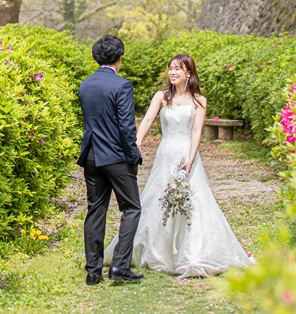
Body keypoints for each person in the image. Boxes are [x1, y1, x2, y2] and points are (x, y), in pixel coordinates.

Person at [103, 53, 255, 278]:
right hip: (165, 154)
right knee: (157, 198)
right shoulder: (162, 97)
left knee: (194, 200)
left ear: (188, 73)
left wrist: (191, 157)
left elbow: (196, 131)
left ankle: (191, 252)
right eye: (170, 68)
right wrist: (136, 142)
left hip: (186, 154)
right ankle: (153, 250)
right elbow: (146, 121)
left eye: (178, 69)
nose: (173, 72)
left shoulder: (199, 100)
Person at [77, 35, 143, 285]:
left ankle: (93, 271)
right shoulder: (121, 86)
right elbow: (127, 128)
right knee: (131, 208)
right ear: (119, 58)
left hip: (92, 156)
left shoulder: (85, 85)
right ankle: (119, 266)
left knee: (95, 210)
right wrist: (133, 155)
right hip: (115, 156)